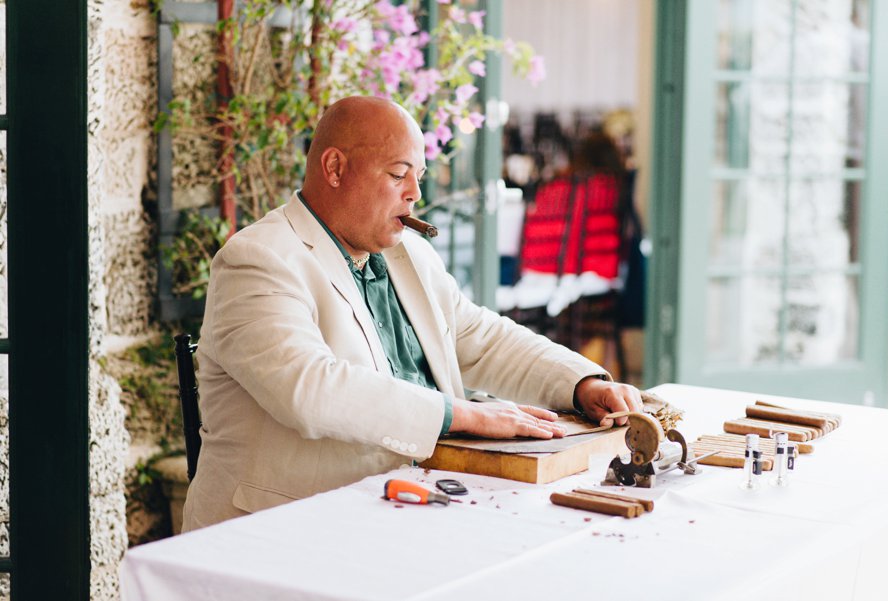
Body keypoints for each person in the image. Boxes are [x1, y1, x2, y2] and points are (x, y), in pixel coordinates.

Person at [182, 96, 642, 531]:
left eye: (418, 175)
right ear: (335, 168)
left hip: (405, 511)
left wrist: (581, 383)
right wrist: (463, 415)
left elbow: (482, 338)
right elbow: (308, 388)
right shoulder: (258, 259)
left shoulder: (410, 255)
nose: (415, 193)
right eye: (399, 174)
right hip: (283, 533)